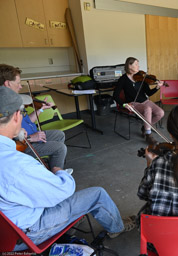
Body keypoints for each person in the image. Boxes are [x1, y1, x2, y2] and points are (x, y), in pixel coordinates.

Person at [0, 86, 135, 251]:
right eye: (22, 113)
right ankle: (116, 228)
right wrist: (59, 171)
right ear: (15, 116)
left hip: (6, 229)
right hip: (26, 233)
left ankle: (73, 216)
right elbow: (64, 190)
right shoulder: (18, 164)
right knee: (97, 194)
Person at [0, 64, 68, 171]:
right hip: (24, 146)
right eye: (18, 83)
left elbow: (27, 121)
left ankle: (52, 165)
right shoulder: (5, 108)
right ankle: (56, 175)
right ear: (7, 83)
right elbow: (10, 142)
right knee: (60, 148)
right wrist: (32, 138)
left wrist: (41, 109)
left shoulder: (15, 101)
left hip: (30, 136)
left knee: (59, 135)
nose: (20, 86)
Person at [113, 57, 164, 145]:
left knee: (160, 112)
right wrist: (124, 105)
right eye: (136, 64)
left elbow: (148, 93)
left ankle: (145, 127)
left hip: (145, 101)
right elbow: (115, 95)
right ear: (129, 66)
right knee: (147, 109)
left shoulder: (141, 77)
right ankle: (148, 135)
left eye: (138, 64)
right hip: (133, 103)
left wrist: (157, 87)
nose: (138, 66)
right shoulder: (123, 79)